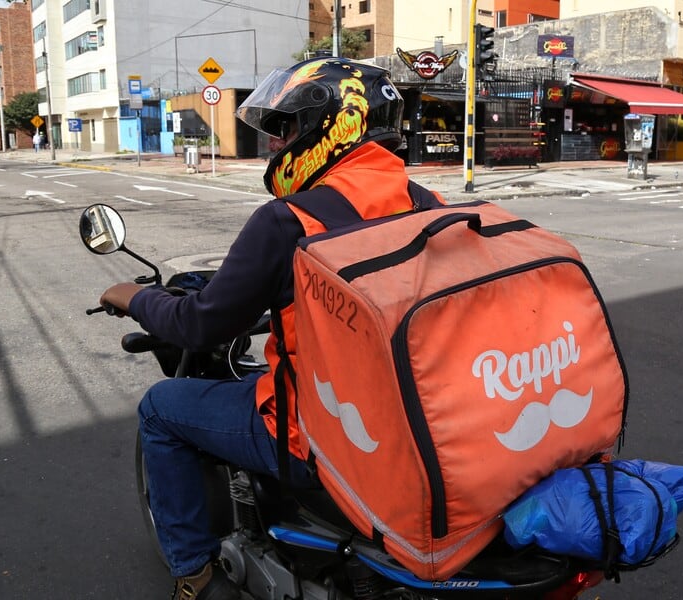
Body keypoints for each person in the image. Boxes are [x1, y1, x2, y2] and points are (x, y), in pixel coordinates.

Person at [98, 57, 445, 600]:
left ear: (330, 125)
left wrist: (137, 296)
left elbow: (201, 325)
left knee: (161, 408)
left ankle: (195, 573)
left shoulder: (290, 220)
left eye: (285, 129)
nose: (279, 144)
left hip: (324, 430)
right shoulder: (428, 204)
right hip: (417, 413)